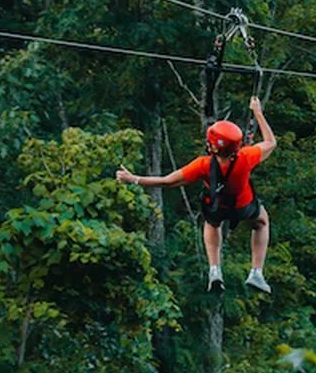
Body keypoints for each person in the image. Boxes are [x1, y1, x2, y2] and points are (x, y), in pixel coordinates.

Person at [116, 96, 276, 294]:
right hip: (244, 206)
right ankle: (256, 272)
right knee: (261, 222)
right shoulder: (246, 157)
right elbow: (270, 142)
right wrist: (257, 112)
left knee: (212, 223)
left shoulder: (203, 165)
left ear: (214, 147)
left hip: (216, 208)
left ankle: (214, 270)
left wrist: (134, 179)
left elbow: (167, 181)